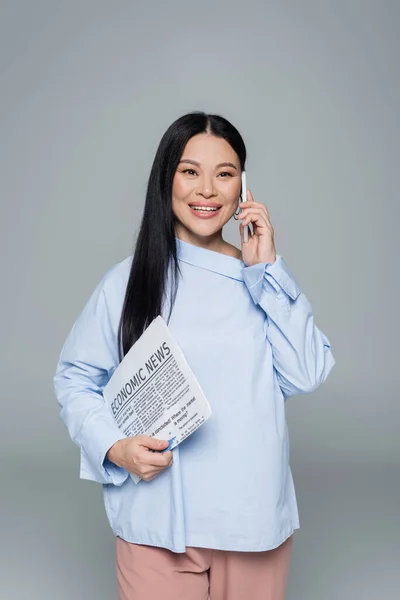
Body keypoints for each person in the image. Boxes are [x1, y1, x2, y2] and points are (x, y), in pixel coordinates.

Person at [54, 111, 335, 600]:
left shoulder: (259, 280)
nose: (207, 190)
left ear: (243, 188)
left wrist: (267, 271)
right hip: (156, 522)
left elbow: (308, 372)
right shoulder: (126, 282)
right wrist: (113, 448)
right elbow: (75, 378)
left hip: (250, 523)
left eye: (224, 174)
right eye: (190, 171)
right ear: (166, 179)